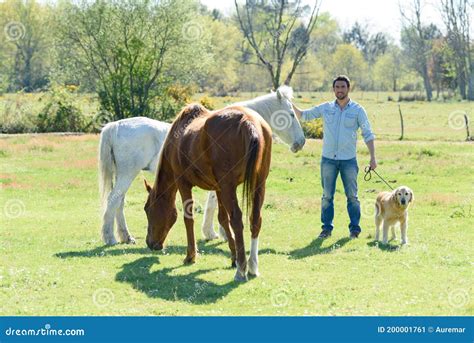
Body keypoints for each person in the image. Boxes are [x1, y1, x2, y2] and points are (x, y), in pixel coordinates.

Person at [292, 75, 377, 239]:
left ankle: (355, 230)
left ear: (348, 89)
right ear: (333, 89)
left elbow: (368, 134)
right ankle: (326, 229)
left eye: (343, 87)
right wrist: (288, 103)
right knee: (327, 196)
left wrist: (373, 158)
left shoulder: (358, 110)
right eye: (337, 87)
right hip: (328, 160)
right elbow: (303, 115)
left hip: (349, 161)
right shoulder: (326, 108)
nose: (340, 90)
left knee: (352, 196)